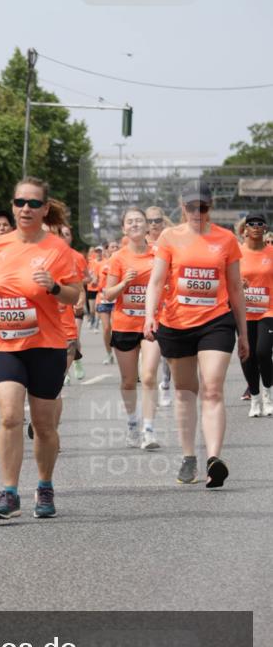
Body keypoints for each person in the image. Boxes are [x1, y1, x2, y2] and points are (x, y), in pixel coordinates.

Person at [0, 178, 80, 520]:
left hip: (46, 344)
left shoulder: (58, 250)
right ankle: (9, 492)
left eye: (34, 203)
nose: (25, 209)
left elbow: (74, 295)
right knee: (8, 415)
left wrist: (54, 287)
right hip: (3, 342)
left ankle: (45, 485)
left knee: (44, 424)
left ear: (45, 209)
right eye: (20, 202)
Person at [144, 180, 248, 488]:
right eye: (191, 207)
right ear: (181, 206)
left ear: (210, 207)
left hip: (216, 320)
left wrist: (243, 332)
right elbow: (156, 280)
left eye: (202, 207)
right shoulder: (169, 237)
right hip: (176, 324)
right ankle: (189, 455)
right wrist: (150, 316)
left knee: (213, 388)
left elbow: (235, 288)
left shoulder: (226, 239)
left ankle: (213, 459)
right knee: (185, 391)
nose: (196, 213)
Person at [104, 207, 161, 449]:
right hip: (125, 324)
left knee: (148, 376)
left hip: (151, 323)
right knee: (128, 381)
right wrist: (124, 283)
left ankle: (149, 429)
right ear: (124, 228)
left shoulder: (158, 255)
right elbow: (107, 294)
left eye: (140, 220)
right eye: (130, 221)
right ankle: (132, 424)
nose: (135, 224)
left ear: (148, 226)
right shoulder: (118, 258)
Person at [239, 213, 273, 417]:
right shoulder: (238, 253)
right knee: (247, 355)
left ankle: (268, 394)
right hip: (244, 311)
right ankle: (255, 397)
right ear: (245, 229)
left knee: (262, 351)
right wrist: (237, 284)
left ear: (265, 228)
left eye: (260, 223)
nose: (256, 227)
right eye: (252, 224)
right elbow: (227, 279)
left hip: (268, 310)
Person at [146, 205, 173, 407]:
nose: (154, 224)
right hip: (143, 305)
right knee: (145, 353)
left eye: (157, 220)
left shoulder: (170, 242)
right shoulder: (137, 243)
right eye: (150, 221)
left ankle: (165, 382)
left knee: (165, 352)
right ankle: (150, 385)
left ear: (163, 222)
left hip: (166, 302)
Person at [60, 224, 88, 381]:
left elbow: (85, 280)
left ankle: (74, 363)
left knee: (73, 338)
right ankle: (62, 372)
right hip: (56, 306)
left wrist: (80, 300)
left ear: (71, 237)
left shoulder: (77, 257)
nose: (63, 237)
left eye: (66, 234)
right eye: (61, 234)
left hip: (74, 303)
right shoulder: (48, 255)